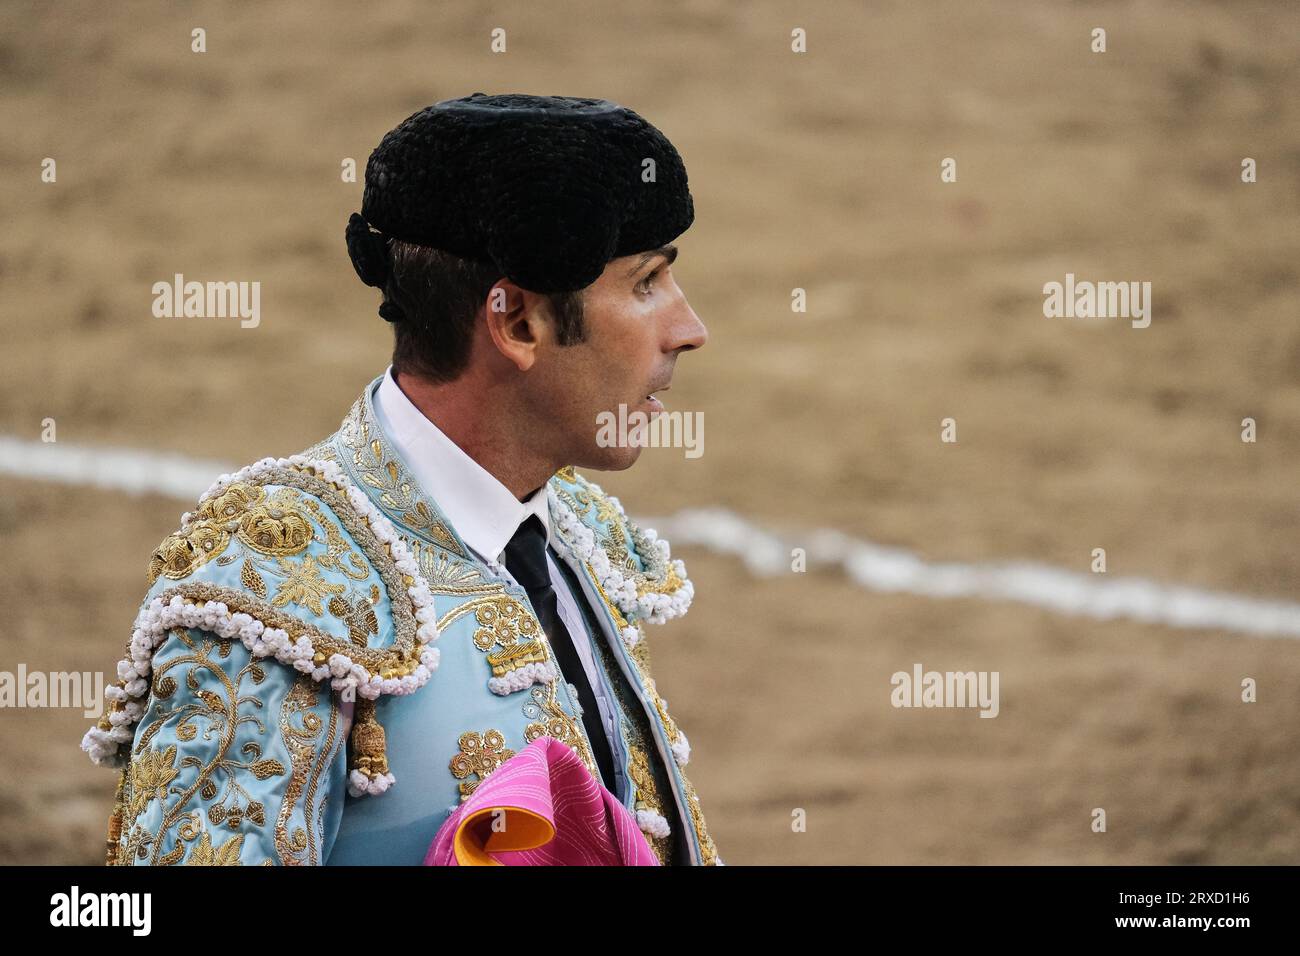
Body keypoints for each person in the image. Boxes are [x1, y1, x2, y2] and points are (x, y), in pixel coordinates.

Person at [81, 92, 721, 866]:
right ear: (517, 322)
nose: (689, 328)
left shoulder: (572, 527)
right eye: (647, 283)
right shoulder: (278, 583)